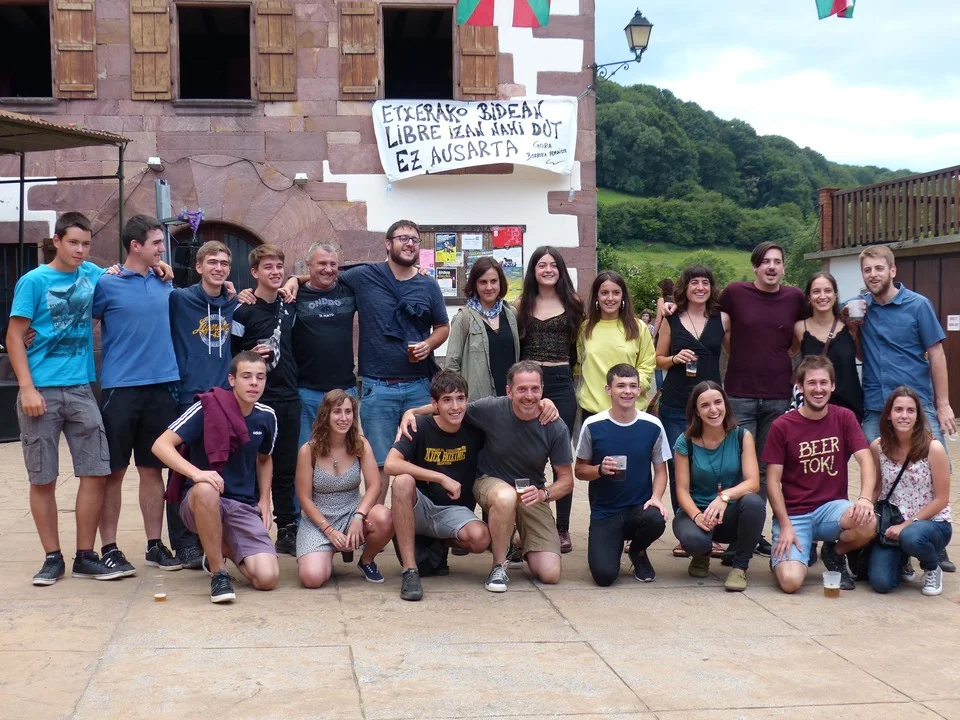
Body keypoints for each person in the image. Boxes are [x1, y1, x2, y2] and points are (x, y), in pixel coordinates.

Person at [6, 212, 124, 584]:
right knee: (43, 477)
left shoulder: (92, 273)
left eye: (86, 244)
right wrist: (27, 388)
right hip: (40, 389)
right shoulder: (34, 281)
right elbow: (14, 336)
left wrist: (161, 268)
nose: (80, 250)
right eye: (73, 242)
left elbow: (126, 274)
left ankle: (85, 555)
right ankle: (52, 557)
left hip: (80, 387)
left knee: (96, 472)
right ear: (56, 241)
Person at [400, 360, 568, 592]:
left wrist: (544, 494)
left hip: (531, 493)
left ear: (542, 390)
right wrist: (411, 412)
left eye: (535, 389)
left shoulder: (554, 425)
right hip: (490, 482)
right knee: (505, 497)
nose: (529, 396)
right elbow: (453, 406)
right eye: (522, 389)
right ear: (509, 391)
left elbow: (566, 480)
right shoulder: (491, 408)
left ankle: (516, 540)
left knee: (550, 573)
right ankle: (499, 566)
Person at [852, 244, 955, 572]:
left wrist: (943, 404)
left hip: (917, 405)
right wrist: (852, 327)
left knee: (935, 470)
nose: (873, 275)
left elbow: (936, 354)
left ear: (892, 270)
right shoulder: (861, 309)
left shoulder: (918, 305)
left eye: (878, 268)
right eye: (867, 270)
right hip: (876, 407)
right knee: (877, 474)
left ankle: (932, 543)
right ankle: (889, 539)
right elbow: (859, 353)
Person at [151, 351, 280, 603]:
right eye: (246, 376)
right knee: (207, 488)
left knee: (267, 579)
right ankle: (218, 572)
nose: (254, 383)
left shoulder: (267, 416)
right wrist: (197, 474)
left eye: (260, 377)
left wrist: (265, 500)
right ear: (232, 380)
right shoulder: (207, 407)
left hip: (242, 505)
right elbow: (160, 445)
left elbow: (265, 459)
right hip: (201, 502)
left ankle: (218, 545)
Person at [94, 214, 182, 576]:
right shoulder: (106, 283)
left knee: (152, 470)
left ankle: (154, 545)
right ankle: (109, 548)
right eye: (157, 243)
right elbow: (76, 319)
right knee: (113, 471)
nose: (163, 249)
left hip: (162, 386)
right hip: (120, 388)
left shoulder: (165, 282)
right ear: (136, 245)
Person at [720, 241, 805, 557]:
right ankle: (735, 534)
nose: (771, 267)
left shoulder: (795, 298)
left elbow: (800, 339)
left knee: (769, 469)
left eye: (777, 261)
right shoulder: (735, 293)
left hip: (778, 395)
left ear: (784, 267)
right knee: (739, 468)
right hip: (740, 393)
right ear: (755, 266)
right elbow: (723, 333)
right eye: (765, 261)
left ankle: (753, 533)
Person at [764, 356, 877, 593]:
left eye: (824, 383)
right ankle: (783, 558)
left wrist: (865, 499)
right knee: (791, 582)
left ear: (833, 386)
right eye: (812, 383)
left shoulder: (844, 417)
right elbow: (772, 482)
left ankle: (834, 552)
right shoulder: (782, 426)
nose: (818, 389)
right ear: (800, 387)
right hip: (794, 514)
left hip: (832, 509)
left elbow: (866, 459)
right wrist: (785, 525)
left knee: (869, 521)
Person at [385, 371, 489, 601]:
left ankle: (438, 541)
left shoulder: (474, 428)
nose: (455, 407)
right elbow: (391, 464)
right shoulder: (419, 426)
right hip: (420, 506)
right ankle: (410, 572)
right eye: (447, 400)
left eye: (460, 398)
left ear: (467, 400)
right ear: (435, 404)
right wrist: (440, 477)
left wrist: (545, 403)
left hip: (452, 510)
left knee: (481, 538)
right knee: (402, 481)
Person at [166, 240, 237, 569]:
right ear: (198, 267)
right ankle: (184, 543)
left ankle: (213, 536)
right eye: (212, 262)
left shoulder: (233, 303)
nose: (218, 268)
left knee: (217, 468)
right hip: (189, 396)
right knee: (182, 470)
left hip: (222, 399)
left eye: (224, 263)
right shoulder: (179, 299)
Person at [231, 244, 300, 556]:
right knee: (253, 464)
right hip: (257, 401)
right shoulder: (242, 310)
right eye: (268, 267)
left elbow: (324, 273)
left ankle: (287, 527)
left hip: (289, 395)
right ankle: (251, 525)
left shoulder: (290, 304)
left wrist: (295, 279)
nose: (275, 272)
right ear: (254, 272)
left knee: (286, 466)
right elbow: (231, 354)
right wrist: (249, 354)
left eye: (279, 267)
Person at [516, 246, 584, 553]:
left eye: (553, 264)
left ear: (560, 270)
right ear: (533, 270)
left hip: (560, 382)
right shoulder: (521, 304)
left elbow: (578, 346)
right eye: (541, 265)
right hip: (529, 383)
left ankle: (562, 527)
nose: (547, 270)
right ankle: (523, 523)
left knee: (560, 457)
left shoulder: (573, 303)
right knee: (525, 454)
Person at [574, 364, 669, 586]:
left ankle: (638, 551)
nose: (627, 391)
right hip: (605, 511)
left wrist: (656, 498)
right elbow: (579, 471)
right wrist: (599, 469)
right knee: (604, 576)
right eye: (621, 386)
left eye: (633, 386)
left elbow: (661, 470)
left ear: (639, 390)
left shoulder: (652, 425)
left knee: (656, 518)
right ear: (608, 390)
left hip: (639, 508)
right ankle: (611, 545)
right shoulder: (593, 425)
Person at [672, 381, 765, 591]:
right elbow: (682, 490)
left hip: (729, 513)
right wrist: (697, 516)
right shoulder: (685, 442)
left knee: (754, 503)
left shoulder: (742, 436)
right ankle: (701, 554)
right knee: (694, 541)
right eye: (705, 405)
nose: (713, 410)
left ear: (725, 404)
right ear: (696, 411)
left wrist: (724, 497)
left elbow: (753, 483)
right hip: (696, 512)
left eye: (717, 402)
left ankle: (740, 567)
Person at [294, 390, 394, 588]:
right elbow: (304, 498)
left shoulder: (360, 444)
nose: (344, 418)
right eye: (337, 412)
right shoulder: (308, 450)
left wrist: (359, 516)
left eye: (348, 412)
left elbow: (375, 485)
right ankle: (325, 553)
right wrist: (329, 530)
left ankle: (366, 560)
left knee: (385, 517)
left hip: (352, 512)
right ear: (326, 415)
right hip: (319, 520)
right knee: (312, 578)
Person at [655, 264, 730, 523]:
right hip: (676, 404)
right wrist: (674, 358)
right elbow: (658, 360)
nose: (700, 287)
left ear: (712, 288)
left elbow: (736, 352)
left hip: (711, 407)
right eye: (694, 282)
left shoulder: (723, 318)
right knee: (679, 466)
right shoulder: (672, 318)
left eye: (705, 282)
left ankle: (711, 522)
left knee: (711, 466)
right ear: (685, 287)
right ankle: (685, 525)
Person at [867, 387, 952, 596]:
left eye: (910, 410)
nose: (904, 415)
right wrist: (865, 507)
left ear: (917, 416)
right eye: (898, 410)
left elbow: (942, 499)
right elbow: (877, 487)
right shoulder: (878, 447)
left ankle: (932, 567)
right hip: (892, 521)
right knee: (881, 583)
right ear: (889, 414)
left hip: (932, 523)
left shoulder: (933, 448)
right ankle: (903, 560)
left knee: (911, 537)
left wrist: (905, 525)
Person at [293, 242, 358, 447]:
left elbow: (378, 269)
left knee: (346, 450)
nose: (328, 269)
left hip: (345, 390)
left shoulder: (349, 291)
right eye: (322, 263)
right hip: (307, 392)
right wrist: (294, 280)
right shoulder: (294, 295)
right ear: (308, 265)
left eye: (333, 264)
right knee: (307, 451)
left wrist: (414, 269)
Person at [577, 270, 656, 421]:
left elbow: (647, 364)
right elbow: (578, 366)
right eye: (604, 293)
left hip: (630, 410)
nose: (610, 298)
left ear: (623, 296)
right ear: (597, 297)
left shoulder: (638, 327)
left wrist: (631, 389)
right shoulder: (585, 329)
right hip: (594, 412)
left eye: (616, 293)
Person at [444, 257, 519, 399]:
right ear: (475, 284)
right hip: (478, 403)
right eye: (483, 282)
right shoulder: (464, 318)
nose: (489, 287)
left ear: (501, 282)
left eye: (493, 281)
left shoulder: (511, 314)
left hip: (511, 401)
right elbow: (452, 367)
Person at [792, 272, 863, 421]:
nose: (822, 296)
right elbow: (789, 354)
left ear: (835, 295)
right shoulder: (799, 328)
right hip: (814, 409)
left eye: (828, 291)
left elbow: (862, 356)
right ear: (809, 297)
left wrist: (856, 332)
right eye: (816, 291)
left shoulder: (849, 325)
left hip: (850, 408)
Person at [652, 277, 674, 390]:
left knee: (658, 363)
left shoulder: (661, 300)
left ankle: (660, 389)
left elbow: (658, 320)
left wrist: (653, 336)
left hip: (663, 333)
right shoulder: (676, 299)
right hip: (674, 333)